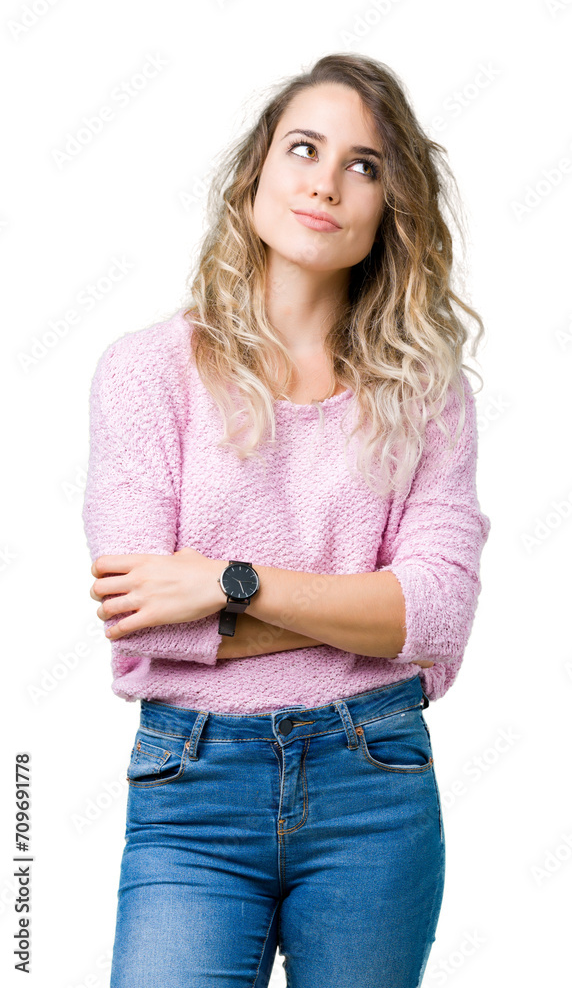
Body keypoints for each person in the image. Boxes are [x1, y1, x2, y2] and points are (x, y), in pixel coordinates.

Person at [82, 52, 491, 988]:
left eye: (365, 164)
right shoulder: (147, 372)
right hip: (192, 788)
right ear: (256, 173)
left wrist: (233, 584)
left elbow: (436, 614)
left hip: (373, 783)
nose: (326, 180)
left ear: (393, 206)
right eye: (304, 147)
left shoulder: (428, 394)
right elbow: (139, 615)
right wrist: (361, 619)